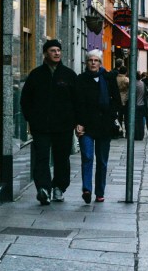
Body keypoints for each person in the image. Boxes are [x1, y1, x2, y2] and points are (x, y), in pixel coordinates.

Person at [21, 39, 78, 205]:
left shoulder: (68, 75)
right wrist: (31, 119)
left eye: (58, 50)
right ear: (45, 53)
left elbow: (77, 101)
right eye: (53, 50)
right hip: (41, 127)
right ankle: (43, 189)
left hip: (63, 126)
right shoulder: (36, 75)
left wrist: (76, 122)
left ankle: (59, 187)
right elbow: (25, 100)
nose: (57, 53)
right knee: (42, 158)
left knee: (62, 158)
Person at [74, 50, 122, 204]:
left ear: (100, 63)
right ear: (86, 63)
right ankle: (86, 189)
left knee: (102, 161)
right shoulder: (81, 79)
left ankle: (100, 192)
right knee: (87, 157)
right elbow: (77, 103)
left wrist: (112, 116)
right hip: (86, 126)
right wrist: (78, 123)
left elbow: (117, 101)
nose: (93, 63)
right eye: (90, 60)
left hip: (104, 126)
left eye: (96, 60)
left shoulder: (108, 79)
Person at [116, 66, 130, 138]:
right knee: (127, 118)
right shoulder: (126, 79)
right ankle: (127, 133)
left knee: (119, 118)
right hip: (125, 99)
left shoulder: (116, 78)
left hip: (118, 99)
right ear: (126, 72)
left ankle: (120, 132)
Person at [134, 72, 148, 141]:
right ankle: (141, 135)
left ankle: (137, 135)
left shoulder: (134, 84)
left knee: (136, 122)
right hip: (142, 104)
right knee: (141, 122)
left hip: (136, 105)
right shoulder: (142, 83)